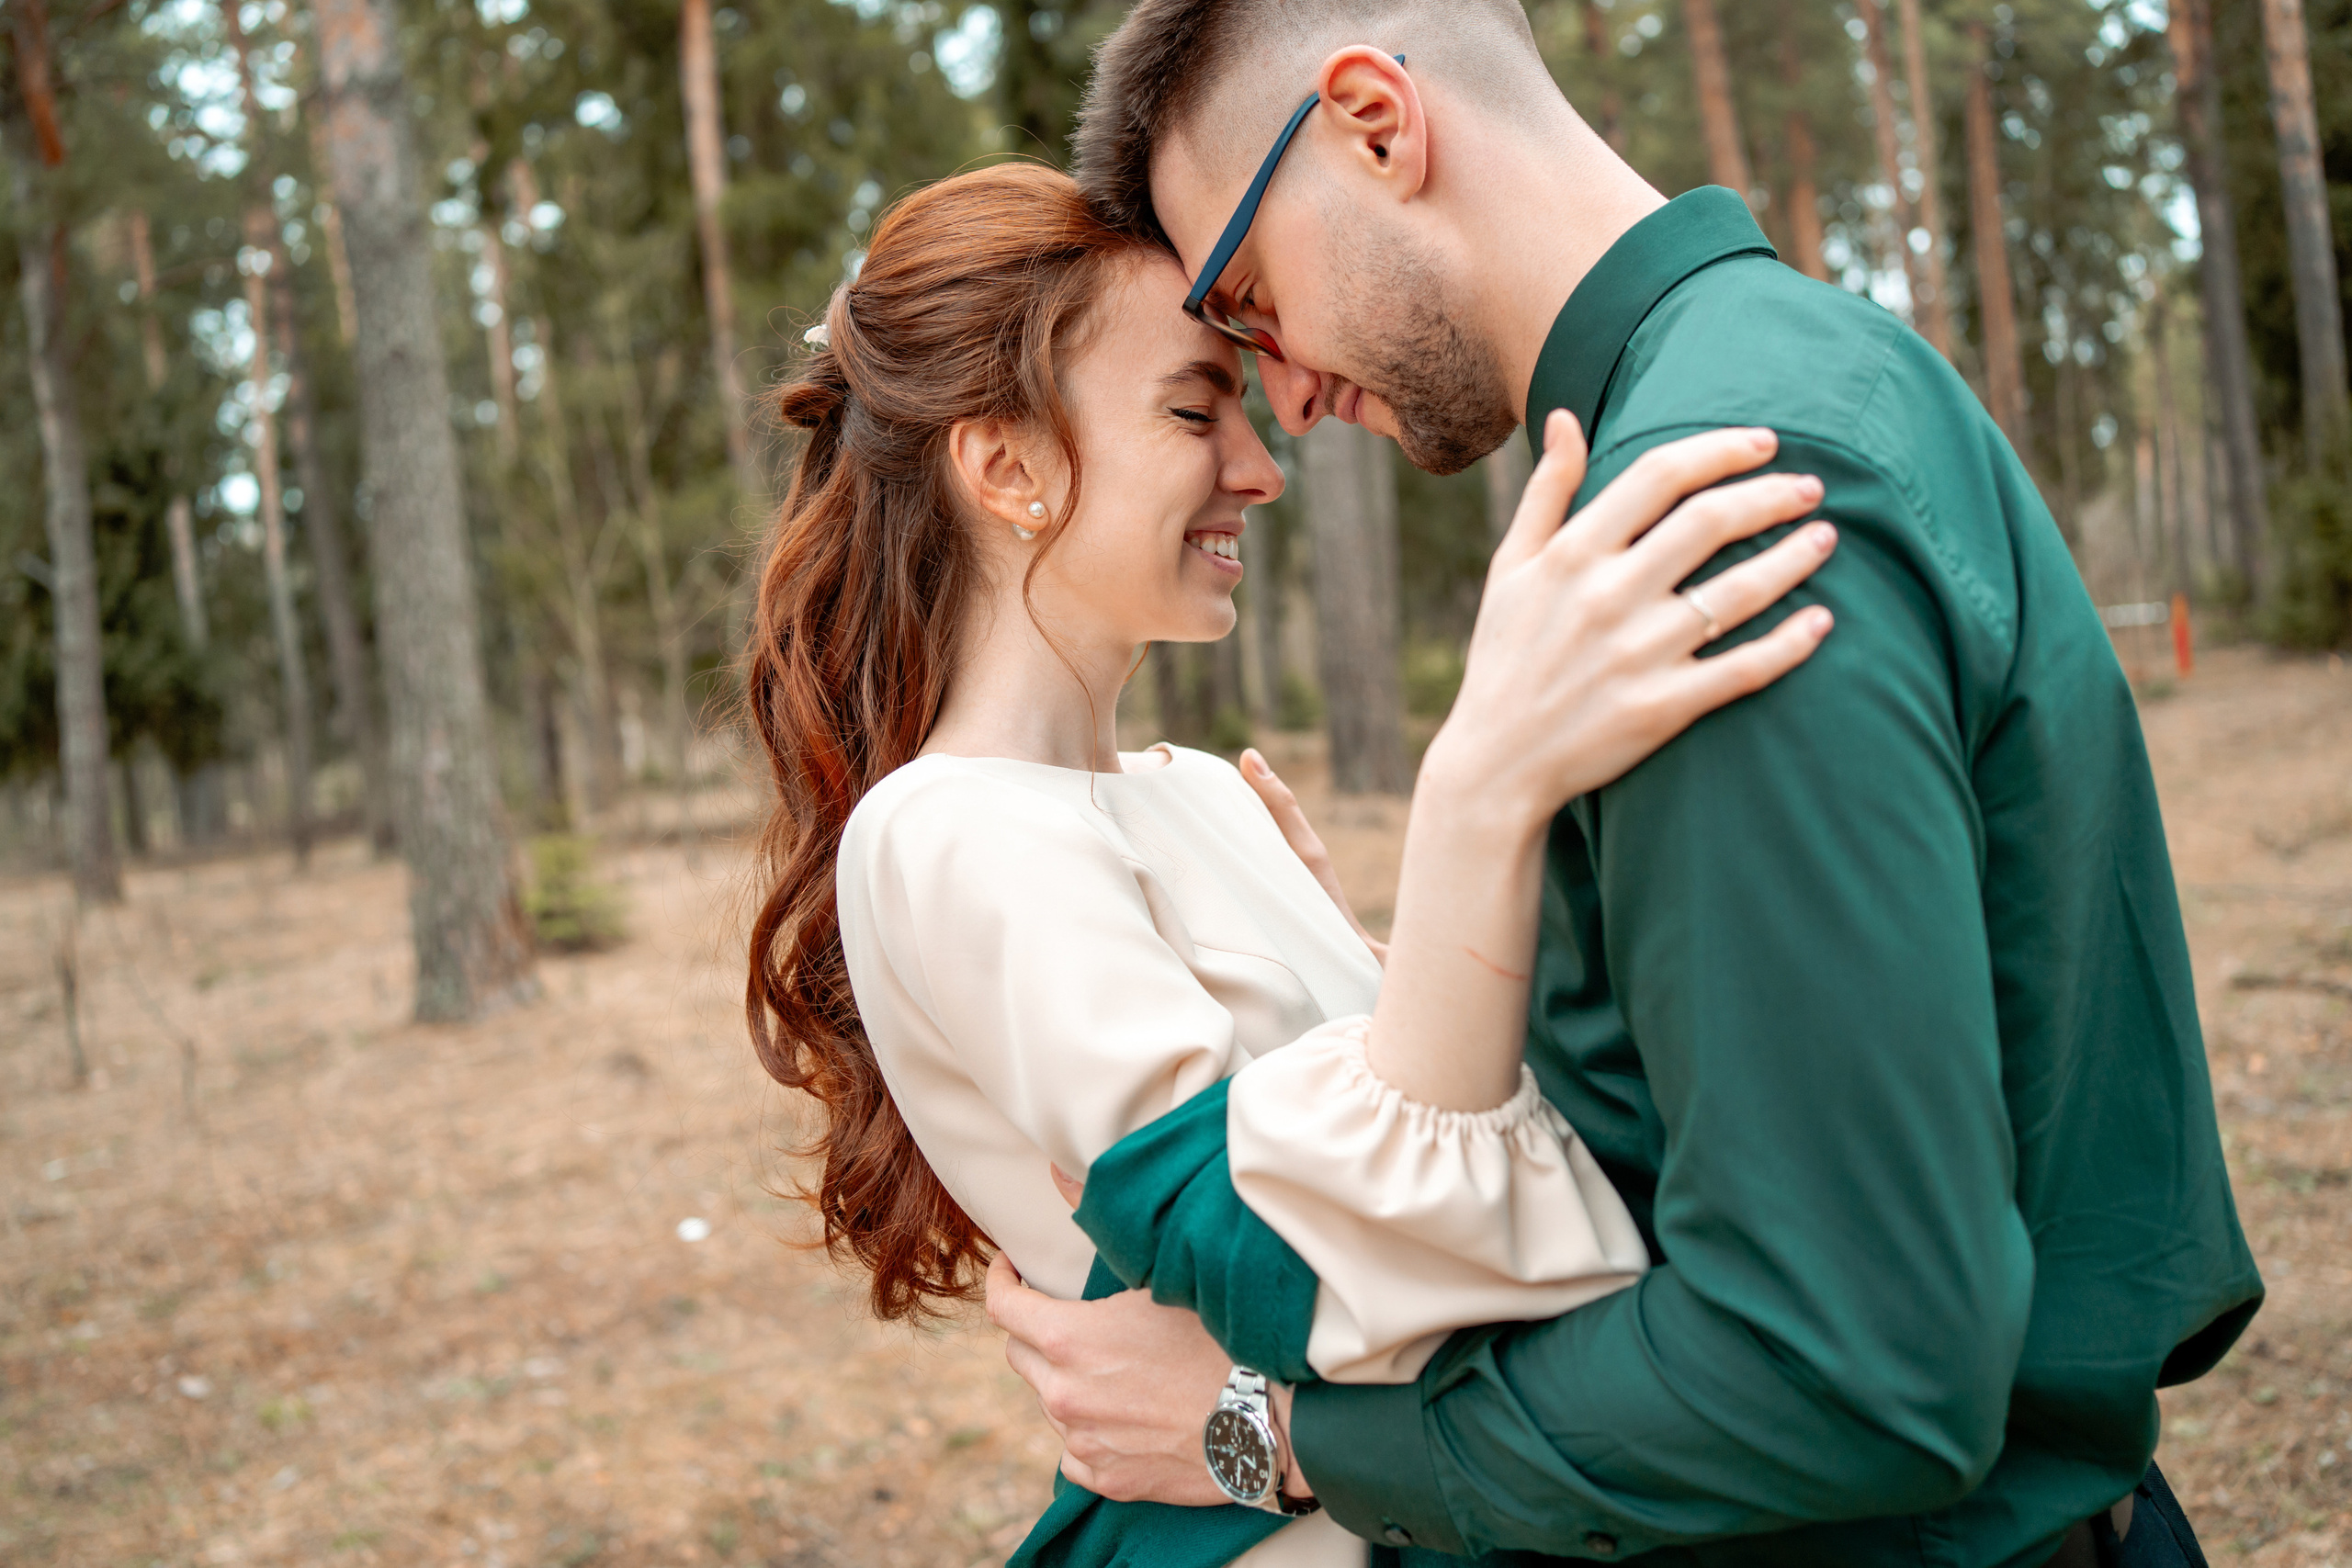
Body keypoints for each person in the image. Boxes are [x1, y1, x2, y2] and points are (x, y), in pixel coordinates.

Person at [983, 3, 2266, 1566]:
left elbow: (1847, 1364)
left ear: (1377, 123)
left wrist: (1273, 1433)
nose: (1290, 398)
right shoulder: (1802, 372)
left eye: (1250, 298)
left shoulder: (1706, 509)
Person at [742, 161, 1842, 1568]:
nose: (1260, 467)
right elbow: (1336, 1271)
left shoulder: (1200, 796)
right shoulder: (945, 831)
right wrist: (1478, 803)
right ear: (1006, 465)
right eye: (1194, 408)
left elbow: (1471, 1158)